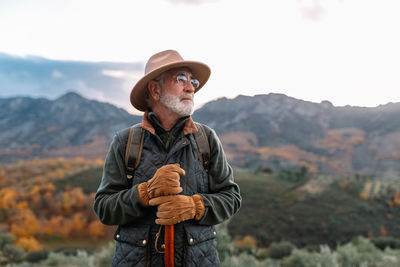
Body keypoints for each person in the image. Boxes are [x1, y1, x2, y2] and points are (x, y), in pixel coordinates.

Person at [94, 49, 241, 266]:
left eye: (193, 81)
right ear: (155, 89)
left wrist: (194, 206)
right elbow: (105, 208)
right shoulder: (126, 142)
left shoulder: (206, 139)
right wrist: (145, 193)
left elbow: (231, 198)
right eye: (181, 78)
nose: (191, 87)